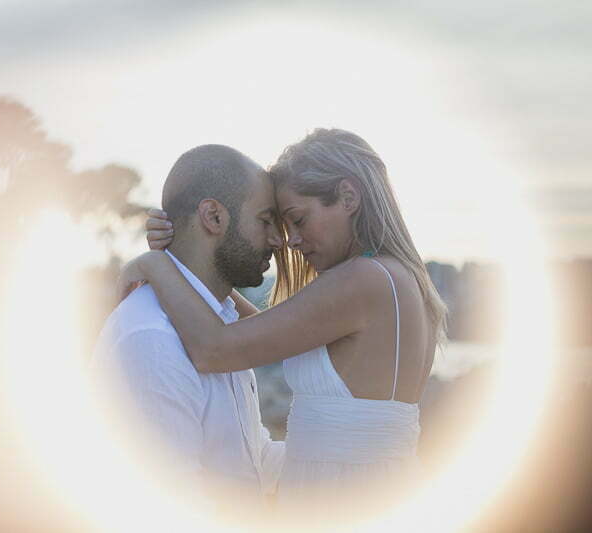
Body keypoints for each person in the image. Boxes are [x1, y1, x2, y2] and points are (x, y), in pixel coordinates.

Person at [121, 128, 447, 509]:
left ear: (347, 197)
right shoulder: (391, 276)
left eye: (298, 219)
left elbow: (214, 349)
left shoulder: (363, 280)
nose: (290, 240)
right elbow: (266, 330)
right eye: (278, 224)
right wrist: (190, 264)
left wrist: (157, 265)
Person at [92, 144, 285, 511]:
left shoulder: (222, 323)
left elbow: (252, 459)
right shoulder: (152, 338)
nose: (277, 239)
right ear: (213, 216)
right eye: (265, 220)